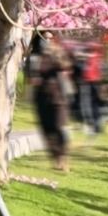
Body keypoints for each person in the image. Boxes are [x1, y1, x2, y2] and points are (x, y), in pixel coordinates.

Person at [31, 37, 71, 172]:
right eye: (43, 59)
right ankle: (56, 157)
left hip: (57, 105)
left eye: (46, 59)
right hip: (42, 106)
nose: (43, 62)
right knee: (47, 133)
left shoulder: (58, 73)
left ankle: (62, 158)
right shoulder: (39, 75)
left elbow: (66, 90)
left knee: (58, 131)